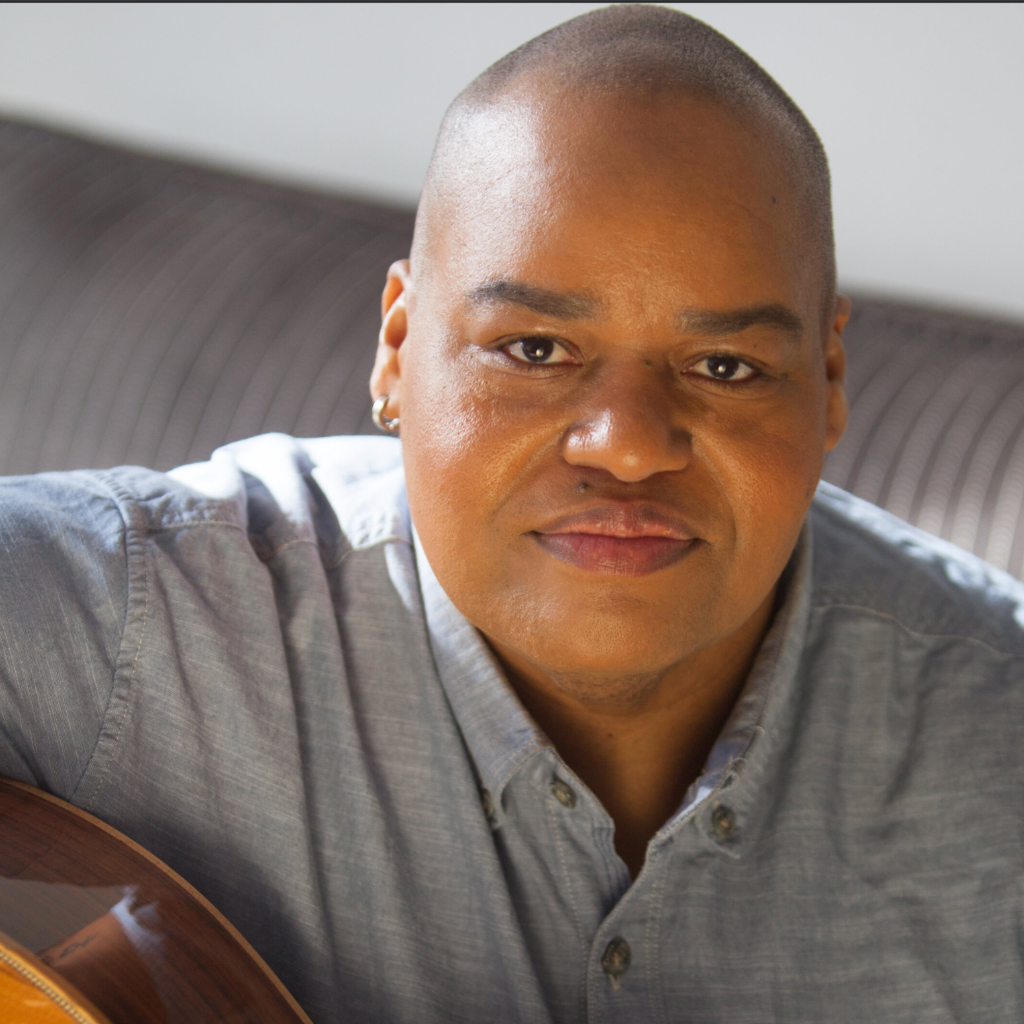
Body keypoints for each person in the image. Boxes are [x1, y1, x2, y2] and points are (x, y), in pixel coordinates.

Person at [1, 5, 1022, 1022]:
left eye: (723, 365)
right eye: (533, 349)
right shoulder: (135, 624)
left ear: (828, 381)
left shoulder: (998, 739)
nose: (626, 443)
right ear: (398, 348)